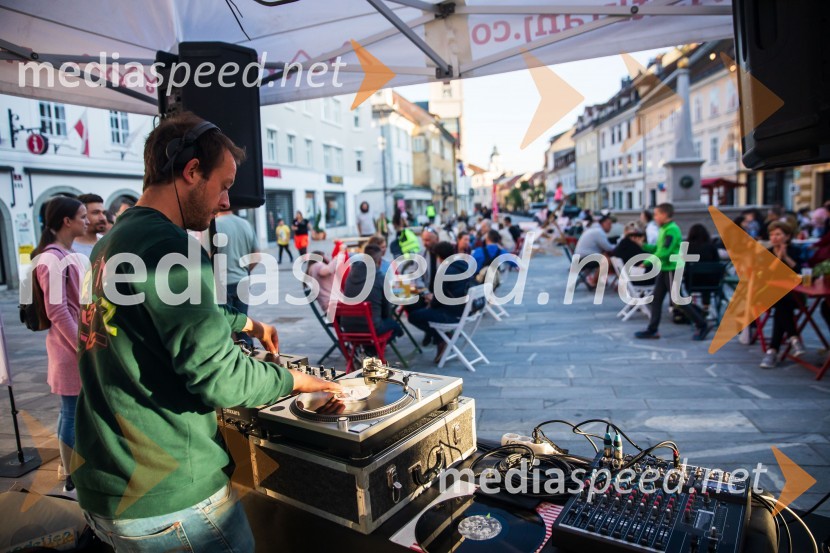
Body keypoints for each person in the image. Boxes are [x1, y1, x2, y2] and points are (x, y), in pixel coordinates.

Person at [73, 113, 340, 552]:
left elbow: (154, 312)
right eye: (224, 185)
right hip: (169, 494)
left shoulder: (112, 242)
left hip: (108, 484)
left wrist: (247, 323)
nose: (224, 201)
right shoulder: (171, 248)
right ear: (191, 172)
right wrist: (295, 380)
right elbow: (220, 378)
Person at [32, 196, 88, 493]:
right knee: (70, 412)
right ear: (67, 221)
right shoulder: (52, 259)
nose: (87, 221)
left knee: (70, 411)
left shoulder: (65, 254)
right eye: (82, 216)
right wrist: (81, 344)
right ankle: (71, 477)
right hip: (69, 351)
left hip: (70, 348)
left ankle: (71, 470)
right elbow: (57, 311)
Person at [635, 203, 711, 341]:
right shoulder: (664, 229)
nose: (655, 217)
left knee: (678, 300)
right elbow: (659, 249)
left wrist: (646, 262)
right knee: (656, 300)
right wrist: (643, 245)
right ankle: (652, 330)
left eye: (657, 214)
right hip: (665, 268)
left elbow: (665, 251)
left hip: (672, 268)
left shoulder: (671, 230)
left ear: (664, 215)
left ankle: (702, 324)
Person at [408, 241, 475, 363]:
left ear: (439, 257)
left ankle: (440, 338)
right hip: (465, 311)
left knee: (413, 316)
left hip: (452, 314)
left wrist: (431, 301)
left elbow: (438, 301)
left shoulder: (445, 271)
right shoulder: (463, 265)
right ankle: (442, 337)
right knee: (425, 311)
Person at [760, 222, 805, 368]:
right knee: (780, 302)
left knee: (781, 307)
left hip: (794, 294)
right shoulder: (766, 252)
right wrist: (778, 257)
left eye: (778, 234)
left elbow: (800, 271)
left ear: (788, 236)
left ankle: (772, 351)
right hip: (770, 294)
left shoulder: (795, 251)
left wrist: (786, 256)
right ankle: (794, 339)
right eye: (772, 234)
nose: (774, 237)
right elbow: (767, 275)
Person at [215, 209, 260, 347]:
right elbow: (256, 255)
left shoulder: (214, 225)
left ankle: (236, 360)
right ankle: (250, 355)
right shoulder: (245, 224)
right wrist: (245, 271)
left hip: (222, 283)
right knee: (242, 324)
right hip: (243, 281)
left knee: (227, 327)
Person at [341, 244, 402, 342]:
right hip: (370, 328)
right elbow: (386, 307)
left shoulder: (351, 275)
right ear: (378, 261)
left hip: (348, 328)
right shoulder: (379, 277)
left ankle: (369, 349)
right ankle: (374, 348)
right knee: (395, 326)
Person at [684, 223, 721, 316]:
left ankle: (693, 307)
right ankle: (706, 305)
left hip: (692, 282)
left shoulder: (687, 246)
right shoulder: (711, 246)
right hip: (711, 283)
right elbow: (717, 262)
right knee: (707, 276)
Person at [72, 193, 107, 258]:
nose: (102, 218)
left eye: (104, 213)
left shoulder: (108, 243)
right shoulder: (69, 249)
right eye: (96, 213)